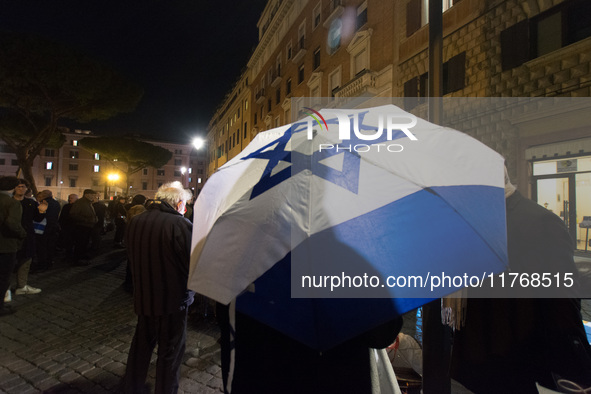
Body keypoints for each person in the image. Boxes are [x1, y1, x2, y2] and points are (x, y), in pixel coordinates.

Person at [450, 169, 591, 393]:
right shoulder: (469, 222)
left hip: (522, 366)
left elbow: (561, 304)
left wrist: (576, 369)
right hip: (472, 367)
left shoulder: (539, 223)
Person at [122, 182, 194, 394]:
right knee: (170, 352)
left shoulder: (136, 221)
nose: (186, 208)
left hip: (144, 297)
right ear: (179, 203)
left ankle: (132, 387)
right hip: (172, 300)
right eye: (185, 205)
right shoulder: (179, 225)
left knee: (141, 348)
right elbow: (192, 262)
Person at [0, 176, 27, 316]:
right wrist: (23, 234)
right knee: (3, 277)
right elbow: (12, 224)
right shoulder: (12, 203)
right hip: (6, 245)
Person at [13, 180, 46, 295]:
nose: (21, 189)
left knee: (25, 262)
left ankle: (21, 286)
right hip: (11, 237)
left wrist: (41, 211)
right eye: (18, 186)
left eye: (23, 187)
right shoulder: (9, 202)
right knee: (8, 263)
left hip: (28, 237)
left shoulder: (30, 203)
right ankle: (5, 290)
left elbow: (37, 218)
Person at [69, 189, 98, 266]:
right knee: (80, 244)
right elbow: (73, 214)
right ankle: (78, 259)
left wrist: (95, 219)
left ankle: (82, 257)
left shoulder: (88, 203)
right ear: (87, 195)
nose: (94, 197)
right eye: (92, 195)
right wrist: (86, 220)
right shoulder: (80, 202)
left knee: (85, 243)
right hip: (82, 227)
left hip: (88, 226)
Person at [33, 190, 59, 272]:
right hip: (53, 227)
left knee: (42, 247)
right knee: (50, 246)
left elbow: (40, 216)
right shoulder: (56, 203)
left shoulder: (44, 203)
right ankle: (49, 263)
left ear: (45, 195)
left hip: (43, 228)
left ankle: (42, 264)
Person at [57, 194, 78, 259]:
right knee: (68, 243)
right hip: (67, 227)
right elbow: (62, 217)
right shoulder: (66, 206)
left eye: (71, 198)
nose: (69, 199)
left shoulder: (77, 207)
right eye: (69, 198)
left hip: (73, 227)